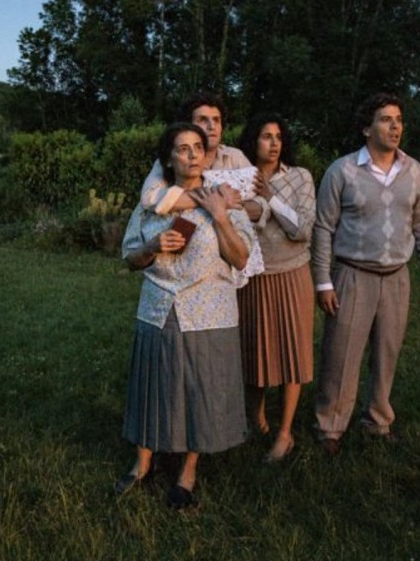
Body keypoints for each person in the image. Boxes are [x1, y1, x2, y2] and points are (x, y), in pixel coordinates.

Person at [115, 122, 256, 509]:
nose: (192, 154)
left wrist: (221, 216)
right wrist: (153, 244)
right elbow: (130, 257)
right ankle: (142, 462)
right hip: (159, 304)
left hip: (209, 309)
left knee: (200, 386)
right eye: (182, 148)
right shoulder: (152, 203)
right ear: (169, 158)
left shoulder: (224, 198)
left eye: (198, 147)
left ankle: (188, 471)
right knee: (152, 381)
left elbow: (241, 258)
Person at [311, 92, 420, 457]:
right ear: (367, 128)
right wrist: (323, 280)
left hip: (397, 276)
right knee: (341, 354)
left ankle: (378, 420)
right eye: (386, 119)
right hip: (352, 274)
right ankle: (330, 426)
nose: (395, 126)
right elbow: (323, 228)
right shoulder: (343, 171)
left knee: (387, 351)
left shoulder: (413, 171)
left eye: (398, 119)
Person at [235, 113, 316, 462]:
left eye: (279, 136)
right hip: (252, 276)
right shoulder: (240, 179)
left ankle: (285, 433)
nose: (273, 143)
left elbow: (302, 229)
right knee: (254, 352)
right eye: (266, 136)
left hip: (292, 273)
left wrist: (270, 199)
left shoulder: (299, 177)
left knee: (291, 353)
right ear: (253, 141)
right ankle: (257, 419)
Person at [140, 91, 251, 215]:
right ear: (188, 125)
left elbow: (261, 205)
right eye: (203, 120)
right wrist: (218, 200)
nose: (212, 126)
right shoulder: (170, 161)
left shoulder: (235, 157)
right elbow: (149, 199)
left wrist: (183, 200)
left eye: (216, 120)